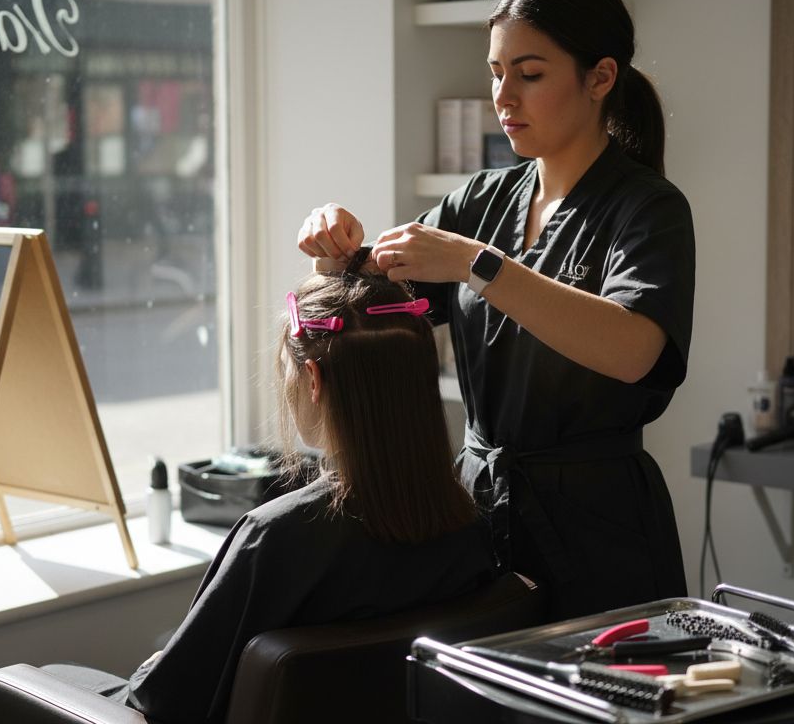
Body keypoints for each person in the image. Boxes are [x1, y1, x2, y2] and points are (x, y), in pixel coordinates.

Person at [298, 0, 694, 619]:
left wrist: (477, 264)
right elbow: (367, 306)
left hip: (600, 531)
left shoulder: (648, 209)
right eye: (495, 72)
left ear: (600, 77)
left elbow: (634, 350)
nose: (503, 97)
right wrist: (331, 248)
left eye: (529, 74)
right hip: (478, 512)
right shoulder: (481, 200)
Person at [47, 254, 496, 723]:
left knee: (48, 677)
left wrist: (152, 667)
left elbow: (162, 703)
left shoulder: (276, 538)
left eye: (287, 369)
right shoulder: (468, 523)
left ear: (313, 379)